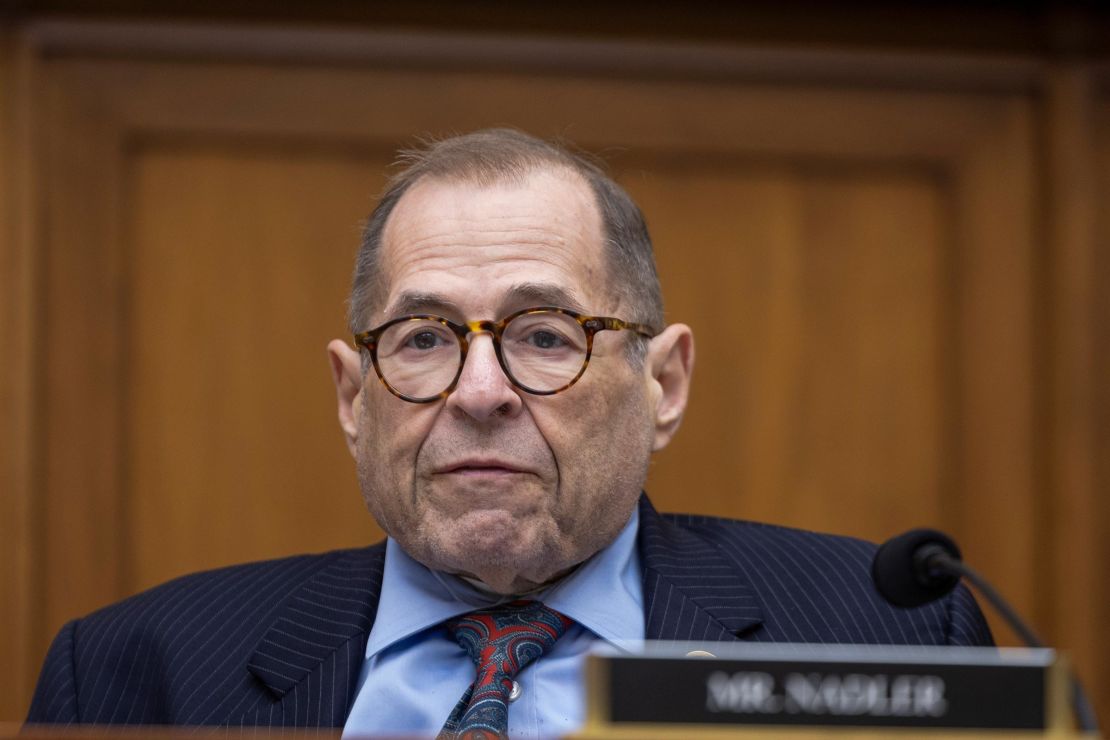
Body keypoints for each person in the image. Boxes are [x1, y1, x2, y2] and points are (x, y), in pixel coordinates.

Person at [26, 129, 992, 735]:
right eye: (422, 338)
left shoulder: (887, 634)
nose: (479, 392)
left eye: (543, 334)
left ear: (662, 383)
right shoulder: (130, 671)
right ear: (353, 397)